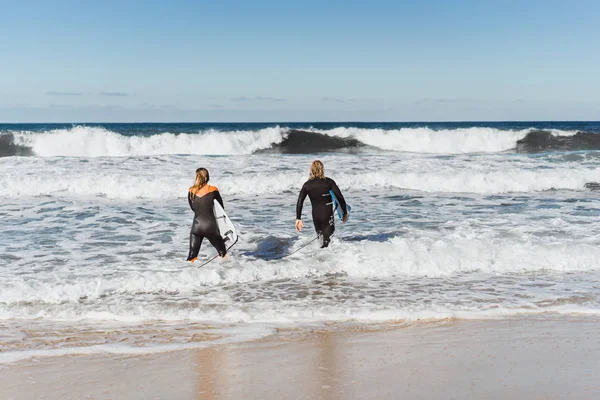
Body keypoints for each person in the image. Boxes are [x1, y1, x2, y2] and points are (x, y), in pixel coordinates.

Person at [296, 160, 348, 248]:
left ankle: (318, 259)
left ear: (311, 170)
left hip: (315, 216)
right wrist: (344, 213)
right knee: (327, 241)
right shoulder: (328, 182)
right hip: (327, 215)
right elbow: (340, 197)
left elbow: (300, 201)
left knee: (320, 238)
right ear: (322, 169)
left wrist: (298, 218)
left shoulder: (307, 185)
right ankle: (326, 259)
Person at [186, 168, 228, 262]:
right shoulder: (213, 189)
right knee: (222, 253)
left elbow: (193, 208)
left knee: (192, 256)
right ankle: (228, 271)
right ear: (207, 177)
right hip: (210, 227)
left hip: (196, 227)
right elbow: (221, 208)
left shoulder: (191, 191)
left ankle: (187, 273)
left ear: (197, 177)